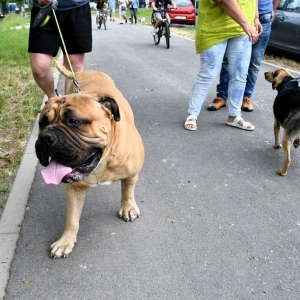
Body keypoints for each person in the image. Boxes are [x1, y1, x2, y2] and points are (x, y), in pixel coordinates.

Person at [184, 0, 260, 132]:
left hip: (242, 28)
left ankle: (234, 116)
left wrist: (256, 17)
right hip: (215, 27)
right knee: (208, 72)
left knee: (240, 73)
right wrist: (246, 23)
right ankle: (193, 114)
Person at [207, 0, 281, 113]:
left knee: (254, 61)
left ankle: (246, 97)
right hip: (238, 13)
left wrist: (272, 9)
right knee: (229, 60)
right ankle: (222, 96)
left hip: (263, 16)